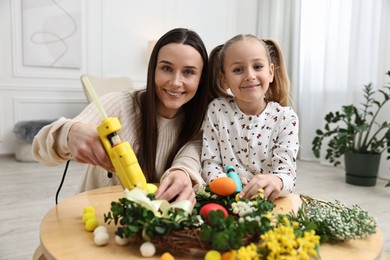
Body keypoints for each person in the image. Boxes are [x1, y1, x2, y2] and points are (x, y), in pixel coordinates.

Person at [33, 28, 211, 205]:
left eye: (188, 72)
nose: (175, 82)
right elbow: (41, 150)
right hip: (94, 219)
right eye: (166, 68)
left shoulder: (201, 123)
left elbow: (190, 160)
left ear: (201, 78)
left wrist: (183, 173)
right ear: (153, 69)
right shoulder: (118, 104)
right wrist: (69, 132)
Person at [201, 34, 299, 201]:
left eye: (258, 66)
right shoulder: (217, 110)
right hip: (226, 199)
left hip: (269, 202)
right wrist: (225, 184)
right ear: (224, 79)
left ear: (270, 73)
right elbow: (210, 163)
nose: (249, 75)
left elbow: (287, 174)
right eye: (238, 69)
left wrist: (276, 181)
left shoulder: (286, 118)